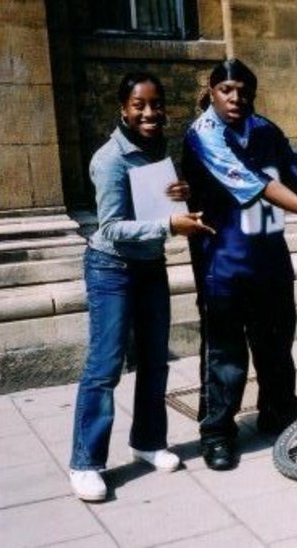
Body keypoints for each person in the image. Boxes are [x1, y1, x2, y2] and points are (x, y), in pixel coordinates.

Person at [184, 59, 297, 471]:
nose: (235, 98)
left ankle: (279, 413)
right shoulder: (204, 134)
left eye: (243, 91)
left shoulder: (265, 128)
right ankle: (217, 431)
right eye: (226, 90)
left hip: (269, 256)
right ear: (212, 91)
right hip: (224, 261)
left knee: (276, 342)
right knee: (225, 352)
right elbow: (256, 184)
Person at [70, 72, 215, 501]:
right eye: (139, 105)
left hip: (150, 266)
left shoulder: (157, 149)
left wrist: (181, 194)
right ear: (123, 109)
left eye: (156, 104)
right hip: (111, 270)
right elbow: (111, 228)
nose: (150, 113)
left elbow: (155, 203)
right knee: (105, 365)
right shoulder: (109, 159)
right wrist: (171, 223)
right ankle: (85, 462)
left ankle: (148, 442)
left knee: (155, 361)